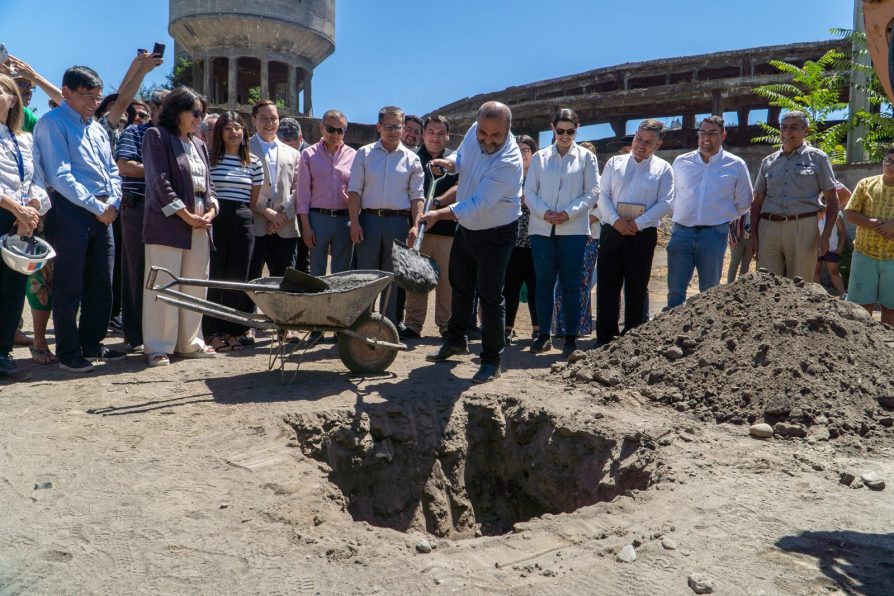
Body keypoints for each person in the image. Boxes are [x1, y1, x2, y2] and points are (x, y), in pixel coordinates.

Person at [33, 66, 126, 373]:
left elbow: (112, 170)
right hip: (71, 210)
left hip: (104, 211)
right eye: (87, 96)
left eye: (97, 97)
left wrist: (112, 201)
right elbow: (60, 176)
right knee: (69, 283)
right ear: (66, 92)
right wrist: (94, 206)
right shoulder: (52, 123)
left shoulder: (97, 127)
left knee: (101, 282)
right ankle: (68, 351)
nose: (93, 103)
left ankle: (91, 342)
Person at [421, 101, 522, 384]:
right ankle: (456, 340)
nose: (488, 140)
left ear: (508, 130)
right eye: (483, 134)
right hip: (467, 229)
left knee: (490, 295)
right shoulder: (474, 133)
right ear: (477, 126)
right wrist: (449, 164)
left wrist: (438, 214)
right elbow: (463, 158)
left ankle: (491, 359)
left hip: (496, 232)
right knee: (460, 284)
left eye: (495, 136)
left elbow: (477, 203)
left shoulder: (509, 162)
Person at [141, 86, 218, 366]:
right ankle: (158, 347)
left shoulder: (198, 144)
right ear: (177, 111)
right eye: (195, 112)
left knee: (196, 283)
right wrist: (186, 216)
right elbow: (159, 182)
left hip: (200, 223)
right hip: (169, 223)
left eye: (203, 113)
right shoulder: (157, 136)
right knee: (164, 283)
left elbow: (209, 185)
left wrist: (211, 210)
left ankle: (190, 342)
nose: (199, 118)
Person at [524, 108, 599, 356]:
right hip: (542, 229)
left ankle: (570, 338)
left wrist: (568, 213)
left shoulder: (587, 157)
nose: (565, 135)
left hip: (574, 229)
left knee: (571, 284)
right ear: (552, 128)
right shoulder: (540, 158)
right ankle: (543, 335)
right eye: (560, 131)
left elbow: (592, 192)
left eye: (570, 131)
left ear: (577, 129)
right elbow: (529, 192)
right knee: (543, 284)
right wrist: (544, 212)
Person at [596, 119, 673, 346]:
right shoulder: (614, 163)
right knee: (608, 286)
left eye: (648, 142)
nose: (641, 145)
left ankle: (631, 340)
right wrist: (615, 221)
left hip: (642, 235)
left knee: (636, 287)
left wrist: (637, 224)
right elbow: (603, 196)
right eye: (639, 139)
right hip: (612, 230)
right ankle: (604, 338)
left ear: (658, 144)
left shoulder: (663, 169)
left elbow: (666, 202)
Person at [347, 105, 424, 325]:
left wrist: (415, 225)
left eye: (397, 127)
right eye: (388, 126)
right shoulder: (364, 153)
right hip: (368, 221)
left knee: (393, 278)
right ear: (378, 127)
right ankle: (362, 326)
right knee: (366, 278)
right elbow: (354, 190)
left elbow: (417, 196)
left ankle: (387, 327)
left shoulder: (412, 159)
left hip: (399, 223)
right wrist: (354, 223)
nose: (393, 131)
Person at [667, 115, 752, 307]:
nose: (706, 137)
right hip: (681, 232)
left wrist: (721, 218)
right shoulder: (681, 162)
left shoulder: (736, 165)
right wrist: (682, 212)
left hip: (714, 234)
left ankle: (704, 334)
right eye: (703, 132)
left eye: (712, 133)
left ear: (723, 135)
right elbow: (671, 195)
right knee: (675, 290)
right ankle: (673, 335)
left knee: (709, 291)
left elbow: (745, 201)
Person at [751, 111, 838, 280]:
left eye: (794, 128)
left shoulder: (818, 159)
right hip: (768, 228)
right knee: (765, 285)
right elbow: (757, 202)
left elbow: (833, 200)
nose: (787, 132)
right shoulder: (768, 162)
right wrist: (754, 235)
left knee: (800, 284)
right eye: (783, 127)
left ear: (806, 130)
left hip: (803, 228)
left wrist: (825, 235)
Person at [0, 74, 47, 381]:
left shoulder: (24, 138)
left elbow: (37, 180)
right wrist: (15, 207)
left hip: (21, 222)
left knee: (12, 288)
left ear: (12, 98)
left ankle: (2, 351)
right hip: (6, 211)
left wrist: (32, 207)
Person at [205, 111, 263, 351]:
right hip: (217, 218)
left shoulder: (254, 162)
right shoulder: (210, 159)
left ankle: (233, 331)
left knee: (238, 277)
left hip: (242, 220)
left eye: (238, 127)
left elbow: (253, 199)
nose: (234, 132)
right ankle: (212, 332)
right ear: (220, 132)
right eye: (228, 127)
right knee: (215, 276)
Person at [115, 88, 168, 351]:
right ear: (154, 106)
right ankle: (135, 335)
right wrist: (162, 174)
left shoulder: (176, 137)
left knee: (163, 271)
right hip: (137, 208)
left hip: (168, 212)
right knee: (135, 270)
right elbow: (124, 165)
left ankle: (161, 333)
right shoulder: (134, 132)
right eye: (164, 104)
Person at [402, 115, 459, 340]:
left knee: (447, 283)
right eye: (431, 132)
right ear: (423, 134)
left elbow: (460, 187)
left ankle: (446, 326)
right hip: (418, 231)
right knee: (416, 279)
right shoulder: (412, 159)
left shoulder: (456, 162)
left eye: (440, 133)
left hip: (447, 231)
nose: (435, 137)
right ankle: (413, 325)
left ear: (447, 136)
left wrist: (437, 203)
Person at [248, 100, 304, 282]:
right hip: (255, 224)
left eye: (273, 118)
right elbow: (243, 186)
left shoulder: (294, 154)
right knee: (250, 279)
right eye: (263, 118)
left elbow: (299, 189)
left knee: (285, 283)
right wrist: (267, 212)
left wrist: (282, 216)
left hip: (285, 227)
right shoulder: (243, 148)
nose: (269, 123)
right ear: (253, 120)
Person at [296, 109, 356, 276]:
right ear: (321, 127)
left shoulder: (354, 156)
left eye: (340, 130)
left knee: (342, 273)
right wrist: (306, 227)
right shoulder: (308, 155)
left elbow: (357, 191)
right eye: (331, 129)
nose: (335, 134)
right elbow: (303, 194)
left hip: (344, 219)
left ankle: (338, 303)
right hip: (318, 219)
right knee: (316, 271)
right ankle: (318, 303)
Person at [552, 140, 601, 343]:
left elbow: (602, 207)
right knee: (560, 283)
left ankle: (580, 326)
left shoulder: (599, 179)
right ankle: (560, 326)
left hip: (589, 236)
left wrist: (585, 219)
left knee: (582, 283)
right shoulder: (566, 177)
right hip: (564, 233)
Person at [844, 149, 894, 324]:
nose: (890, 166)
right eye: (888, 160)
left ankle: (886, 351)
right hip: (864, 254)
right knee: (860, 309)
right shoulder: (866, 184)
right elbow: (849, 214)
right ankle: (862, 349)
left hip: (892, 258)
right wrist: (873, 224)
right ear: (883, 161)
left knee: (891, 308)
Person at [503, 134, 539, 344]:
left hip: (536, 239)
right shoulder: (509, 176)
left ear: (533, 153)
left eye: (525, 150)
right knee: (510, 286)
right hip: (512, 240)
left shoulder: (541, 175)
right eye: (518, 149)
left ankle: (538, 329)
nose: (522, 154)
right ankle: (507, 328)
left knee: (536, 286)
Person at [0, 54, 63, 133]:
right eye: (23, 84)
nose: (29, 90)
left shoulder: (28, 118)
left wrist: (35, 77)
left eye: (31, 87)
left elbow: (71, 106)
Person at [814, 206, 848, 296]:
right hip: (816, 247)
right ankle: (818, 294)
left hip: (832, 248)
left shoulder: (835, 214)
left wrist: (840, 246)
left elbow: (842, 232)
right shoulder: (814, 213)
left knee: (834, 271)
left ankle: (842, 294)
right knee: (816, 270)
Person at [726, 213, 754, 282]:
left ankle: (741, 285)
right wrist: (733, 239)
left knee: (746, 263)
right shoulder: (738, 210)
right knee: (734, 263)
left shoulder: (754, 210)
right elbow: (730, 225)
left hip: (750, 240)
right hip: (737, 239)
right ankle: (729, 285)